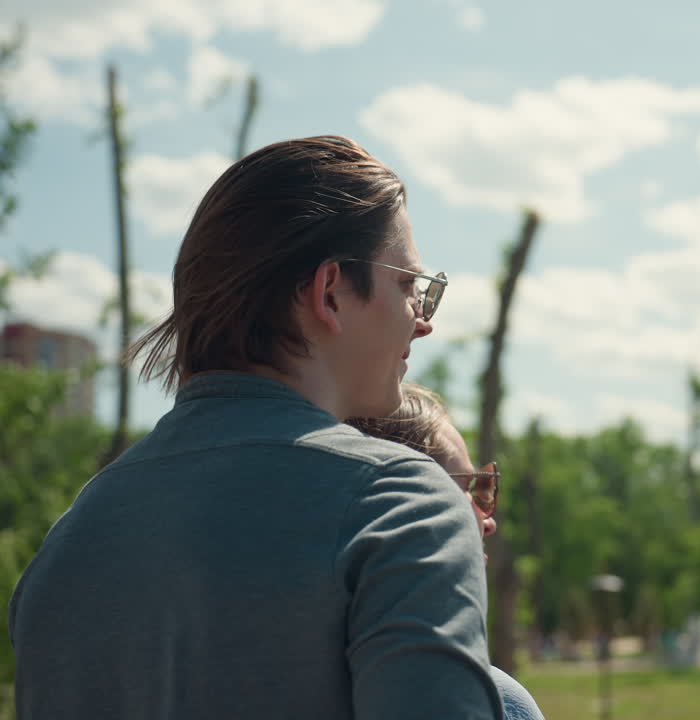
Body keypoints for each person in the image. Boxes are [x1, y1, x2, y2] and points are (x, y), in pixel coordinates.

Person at [8, 136, 501, 719]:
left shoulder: (69, 543)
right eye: (407, 286)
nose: (422, 323)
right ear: (330, 293)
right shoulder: (399, 507)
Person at [349, 384, 545, 720]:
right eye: (466, 489)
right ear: (402, 498)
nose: (488, 521)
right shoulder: (499, 701)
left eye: (484, 487)